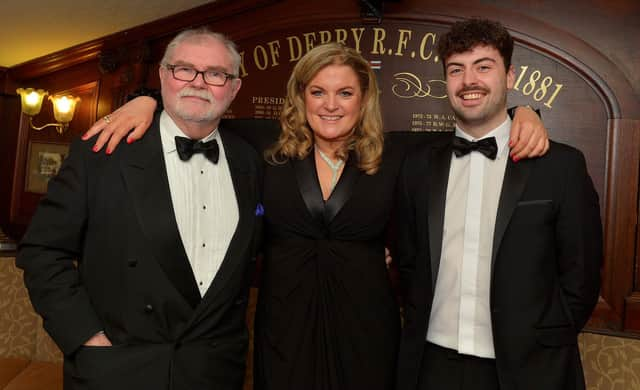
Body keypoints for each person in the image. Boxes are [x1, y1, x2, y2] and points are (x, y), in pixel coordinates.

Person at [81, 43, 549, 390]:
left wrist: (526, 110)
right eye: (318, 91)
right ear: (300, 95)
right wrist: (146, 97)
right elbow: (196, 107)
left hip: (367, 328)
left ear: (363, 97)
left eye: (345, 92)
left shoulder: (399, 152)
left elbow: (476, 131)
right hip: (284, 325)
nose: (330, 104)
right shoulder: (263, 144)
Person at [17, 28, 262, 390]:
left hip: (212, 372)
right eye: (184, 69)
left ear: (234, 88)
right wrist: (86, 339)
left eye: (216, 74)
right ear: (163, 75)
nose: (199, 83)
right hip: (116, 370)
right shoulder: (103, 152)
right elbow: (42, 251)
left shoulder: (252, 158)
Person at [395, 19, 602, 390]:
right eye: (456, 70)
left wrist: (547, 339)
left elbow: (582, 274)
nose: (468, 81)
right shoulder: (417, 164)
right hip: (431, 364)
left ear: (509, 76)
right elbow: (409, 261)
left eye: (483, 67)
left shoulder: (561, 166)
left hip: (528, 369)